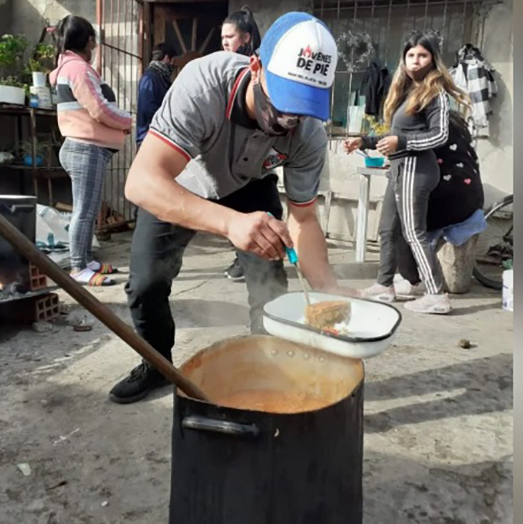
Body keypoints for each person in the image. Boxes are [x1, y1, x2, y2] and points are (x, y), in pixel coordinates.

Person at [110, 12, 354, 404]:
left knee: (270, 283)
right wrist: (228, 223)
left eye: (303, 109)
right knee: (145, 284)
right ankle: (157, 365)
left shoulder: (307, 134)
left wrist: (327, 288)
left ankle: (266, 364)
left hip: (250, 184)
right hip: (181, 183)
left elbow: (304, 219)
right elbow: (141, 182)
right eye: (284, 102)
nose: (289, 120)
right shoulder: (204, 83)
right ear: (256, 67)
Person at [343, 30, 471, 314]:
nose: (415, 60)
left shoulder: (434, 93)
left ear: (433, 59)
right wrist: (364, 141)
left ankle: (436, 295)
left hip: (417, 169)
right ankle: (384, 285)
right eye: (411, 55)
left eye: (422, 55)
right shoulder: (404, 91)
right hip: (399, 169)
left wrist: (402, 142)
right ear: (404, 58)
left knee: (415, 233)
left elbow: (439, 136)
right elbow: (396, 134)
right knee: (387, 229)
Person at [353, 110, 484, 303]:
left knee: (402, 227)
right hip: (470, 194)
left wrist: (374, 144)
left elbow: (404, 142)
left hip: (449, 194)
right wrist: (367, 142)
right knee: (402, 224)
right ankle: (403, 282)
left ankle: (416, 282)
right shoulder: (449, 122)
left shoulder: (426, 124)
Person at [49, 15, 133, 287]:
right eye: (94, 39)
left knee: (89, 209)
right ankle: (78, 267)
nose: (95, 45)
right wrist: (127, 121)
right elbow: (100, 109)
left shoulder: (68, 67)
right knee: (84, 211)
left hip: (83, 148)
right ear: (88, 40)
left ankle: (85, 260)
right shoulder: (78, 69)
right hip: (84, 148)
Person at [220, 6, 262, 283]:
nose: (224, 42)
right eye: (222, 37)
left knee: (253, 206)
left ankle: (251, 262)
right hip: (224, 152)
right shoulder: (217, 68)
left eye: (230, 37)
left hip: (254, 154)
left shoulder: (259, 70)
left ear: (246, 38)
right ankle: (243, 258)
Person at [136, 43, 178, 146]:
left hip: (158, 136)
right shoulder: (150, 78)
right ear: (167, 58)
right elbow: (147, 108)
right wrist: (167, 119)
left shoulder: (161, 78)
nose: (173, 65)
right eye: (173, 61)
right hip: (149, 137)